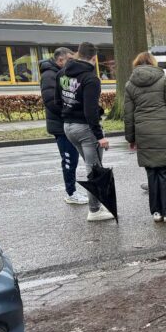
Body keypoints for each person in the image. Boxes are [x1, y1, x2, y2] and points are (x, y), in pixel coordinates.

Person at [124, 51, 166, 223]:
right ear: (153, 63)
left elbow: (128, 114)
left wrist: (131, 138)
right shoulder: (163, 79)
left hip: (144, 134)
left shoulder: (130, 84)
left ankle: (156, 212)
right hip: (165, 132)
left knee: (152, 172)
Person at [58, 42, 114, 222]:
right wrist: (100, 136)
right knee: (95, 169)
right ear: (94, 58)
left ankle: (96, 206)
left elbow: (56, 100)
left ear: (77, 54)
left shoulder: (62, 74)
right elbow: (90, 111)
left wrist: (68, 113)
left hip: (68, 126)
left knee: (91, 166)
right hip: (85, 128)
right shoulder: (90, 78)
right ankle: (95, 210)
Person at [39, 47, 88, 205]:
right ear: (60, 60)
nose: (72, 63)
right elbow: (51, 101)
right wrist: (69, 113)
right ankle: (71, 193)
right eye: (70, 60)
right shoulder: (49, 75)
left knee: (72, 159)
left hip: (66, 122)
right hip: (61, 125)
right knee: (69, 160)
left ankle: (72, 190)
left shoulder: (62, 73)